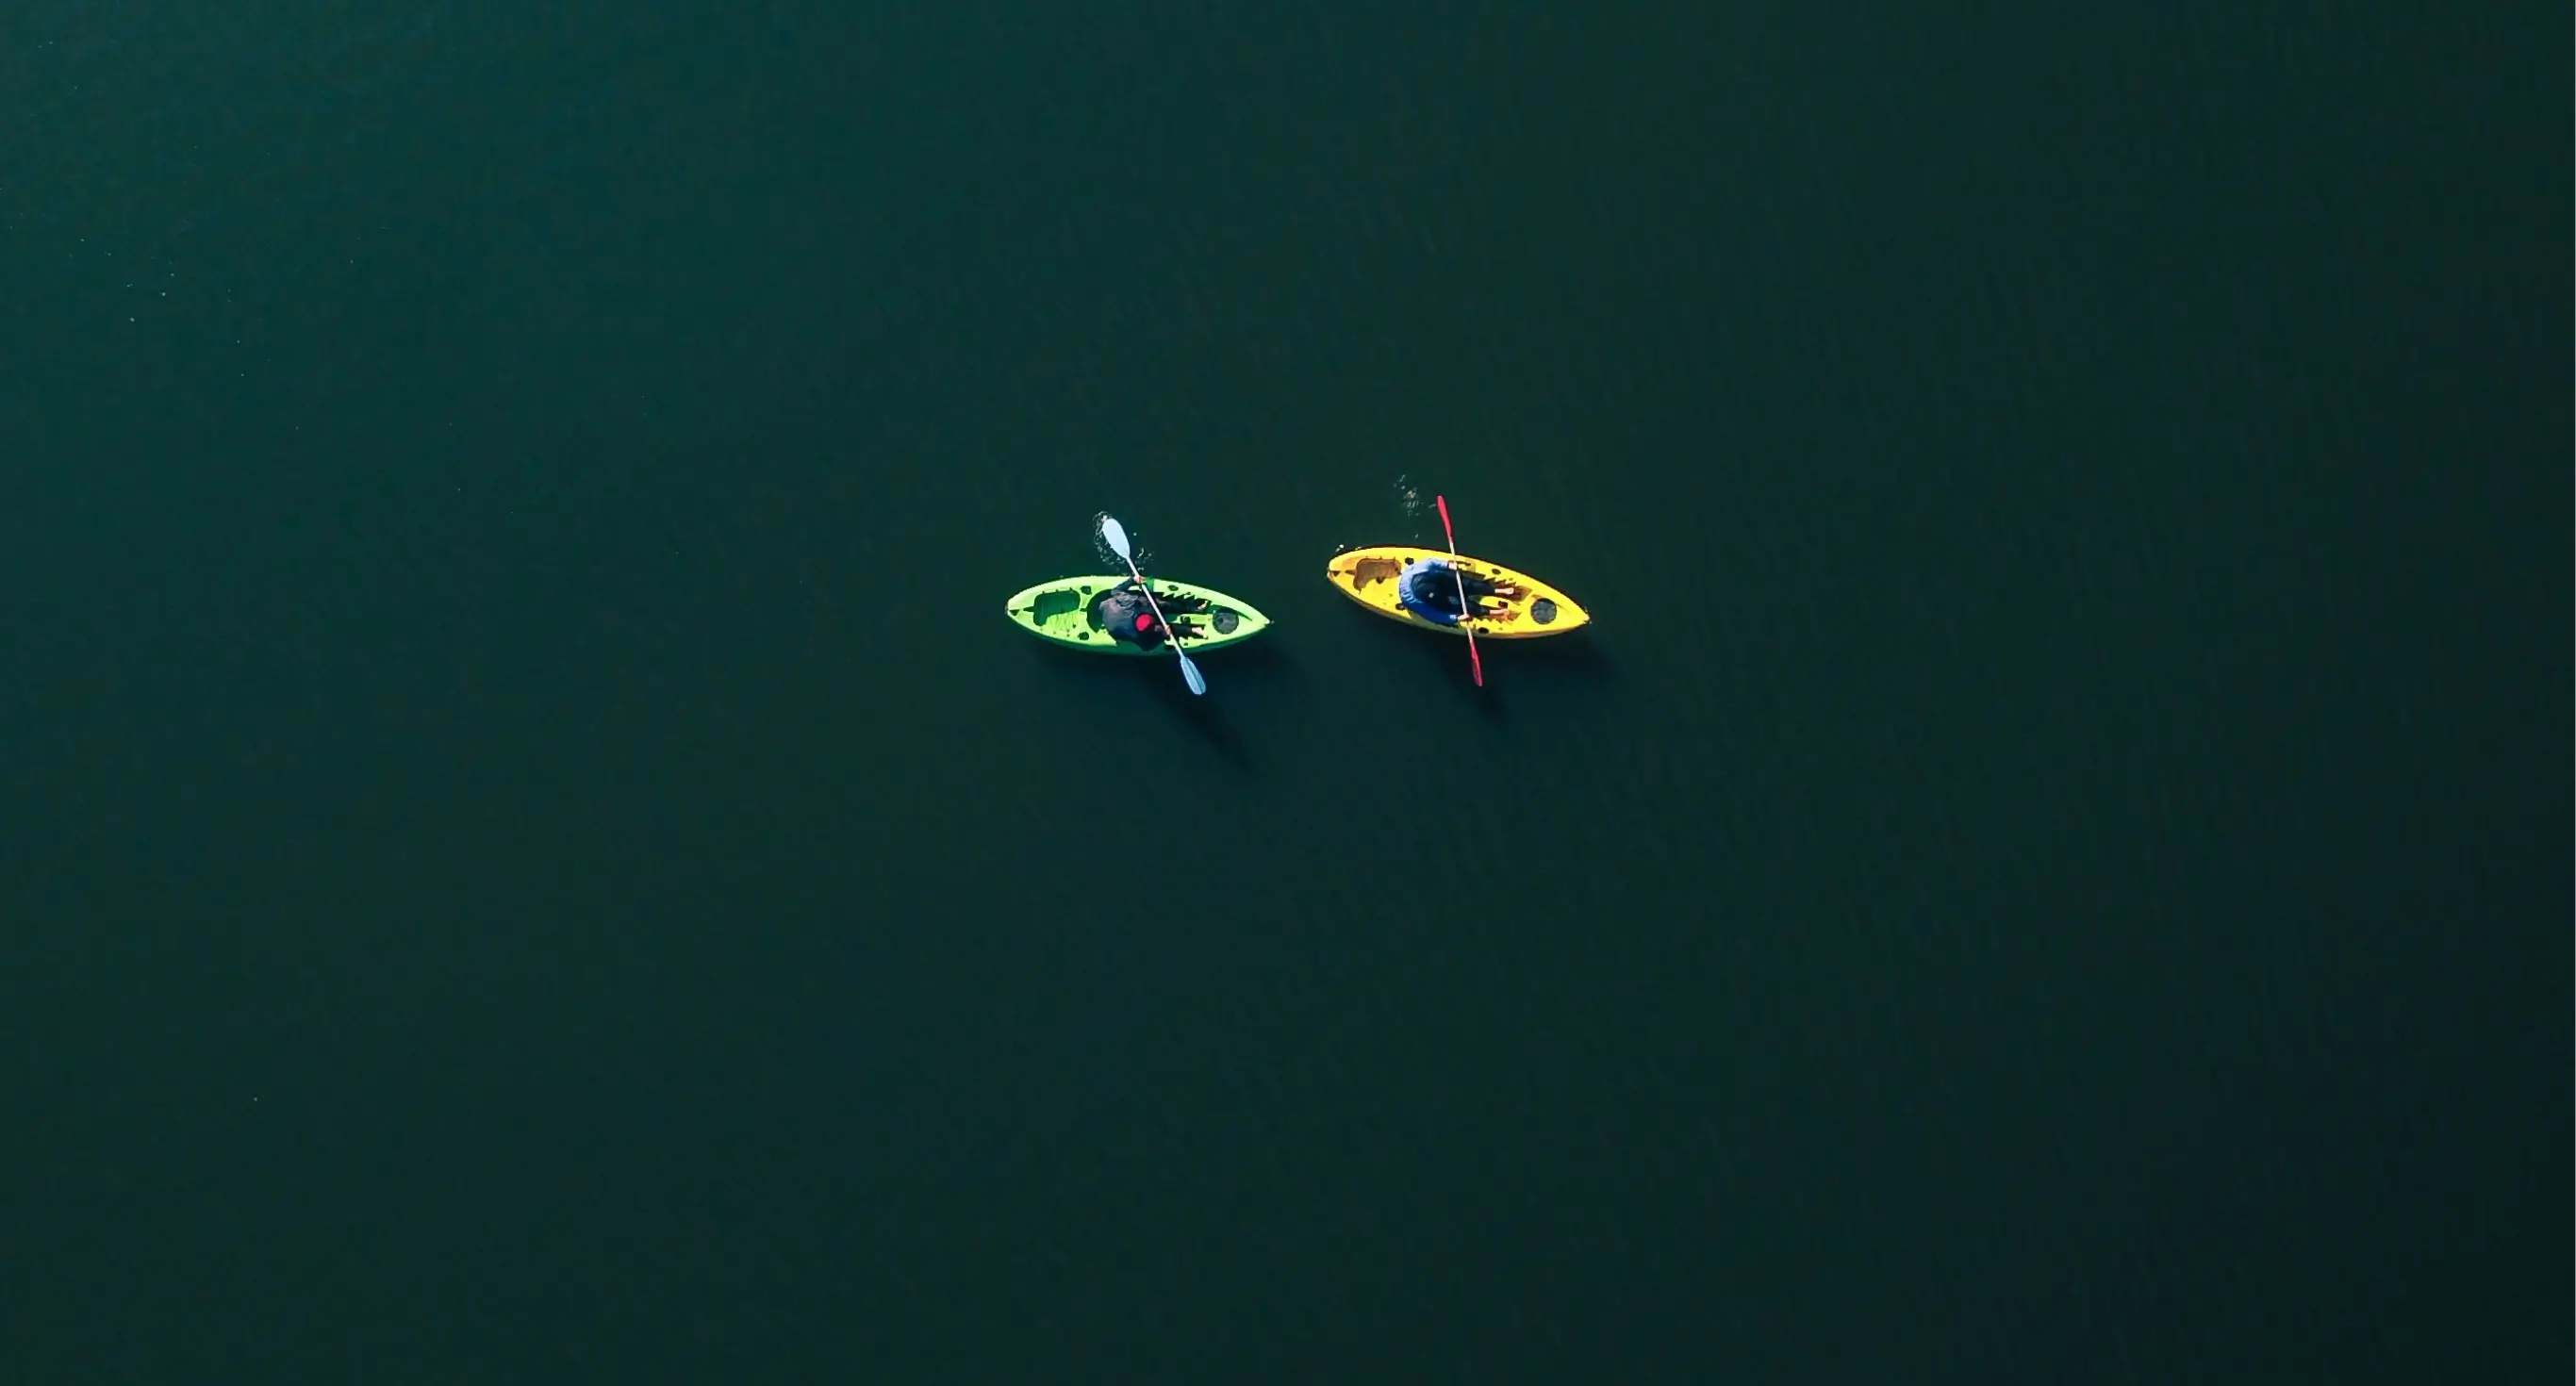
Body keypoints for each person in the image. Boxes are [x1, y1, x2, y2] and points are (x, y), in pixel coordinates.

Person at [1395, 556, 1522, 625]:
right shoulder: (1416, 603)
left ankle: (1497, 591)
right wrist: (1457, 618)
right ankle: (1491, 611)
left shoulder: (1422, 570)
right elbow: (1435, 616)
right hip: (1434, 597)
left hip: (1436, 581)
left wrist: (1448, 565)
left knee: (1464, 584)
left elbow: (1432, 561)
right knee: (1458, 606)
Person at [1094, 579, 1211, 650]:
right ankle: (1193, 630)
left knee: (1161, 604)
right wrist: (1163, 635)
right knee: (1163, 629)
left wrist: (1133, 579)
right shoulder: (1135, 635)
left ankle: (1193, 608)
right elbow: (1146, 647)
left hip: (1120, 611)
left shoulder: (1128, 602)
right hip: (1117, 628)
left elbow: (1116, 590)